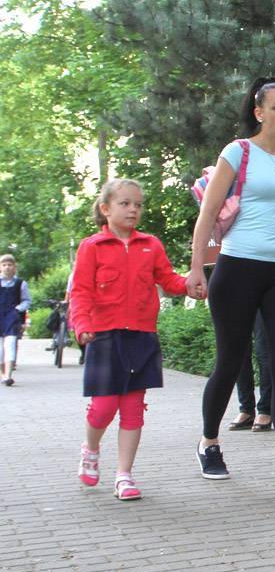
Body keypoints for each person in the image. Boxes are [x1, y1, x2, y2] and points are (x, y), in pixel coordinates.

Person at [186, 77, 275, 494]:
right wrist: (197, 269)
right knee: (230, 360)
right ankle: (209, 442)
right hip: (236, 268)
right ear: (259, 112)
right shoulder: (238, 151)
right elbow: (208, 214)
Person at [71, 179, 193, 500]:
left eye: (137, 204)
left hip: (141, 336)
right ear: (105, 209)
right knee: (103, 407)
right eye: (125, 204)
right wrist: (81, 324)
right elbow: (81, 292)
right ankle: (91, 448)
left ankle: (124, 475)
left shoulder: (151, 245)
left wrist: (190, 284)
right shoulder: (91, 247)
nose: (133, 209)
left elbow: (167, 279)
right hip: (104, 336)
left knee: (133, 409)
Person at [228, 311, 272, 432]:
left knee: (263, 350)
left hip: (263, 296)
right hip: (236, 296)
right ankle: (246, 409)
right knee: (239, 352)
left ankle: (265, 410)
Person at [0, 254, 31, 386]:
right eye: (4, 265)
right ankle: (2, 374)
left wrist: (18, 309)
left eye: (10, 265)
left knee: (10, 343)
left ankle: (8, 375)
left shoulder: (21, 283)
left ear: (14, 267)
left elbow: (27, 300)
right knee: (0, 347)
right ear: (0, 267)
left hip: (12, 316)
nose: (7, 267)